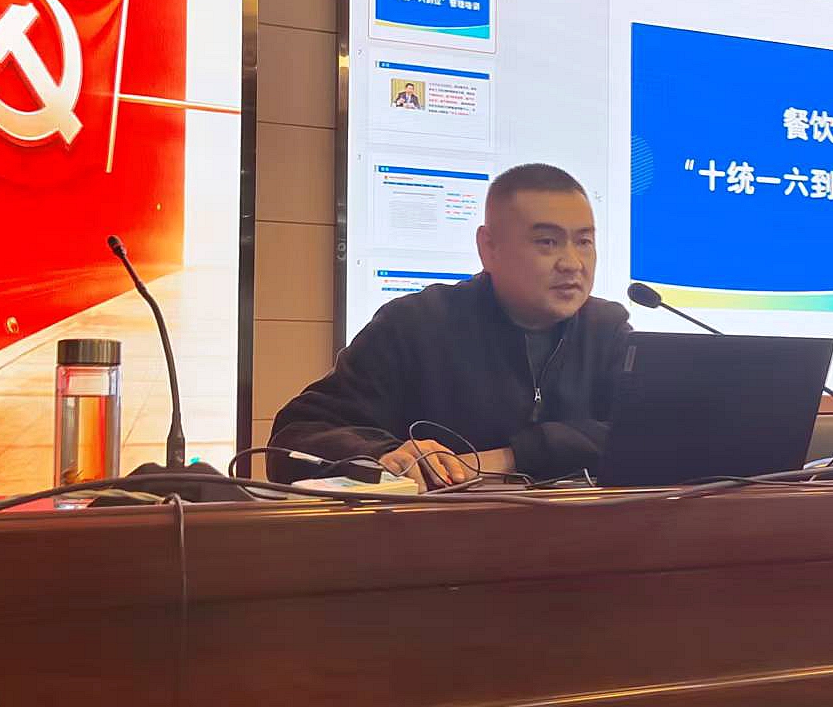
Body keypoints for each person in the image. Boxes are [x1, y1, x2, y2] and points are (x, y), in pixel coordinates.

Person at [269, 164, 630, 489]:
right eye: (547, 242)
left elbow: (644, 435)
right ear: (489, 248)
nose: (572, 263)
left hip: (585, 536)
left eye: (584, 241)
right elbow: (296, 437)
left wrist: (510, 457)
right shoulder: (415, 324)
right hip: (440, 537)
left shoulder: (607, 330)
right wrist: (385, 455)